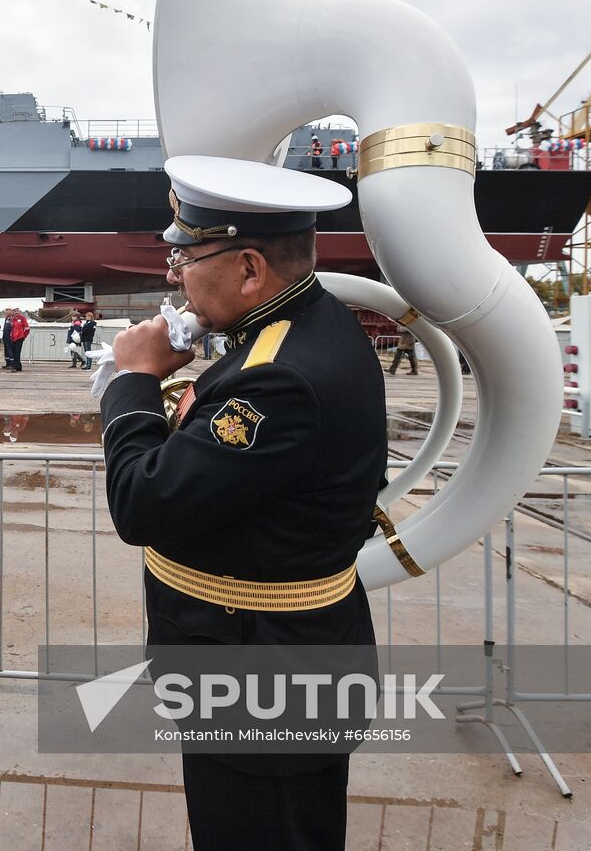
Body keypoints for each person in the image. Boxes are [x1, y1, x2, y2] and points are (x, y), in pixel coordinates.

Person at [99, 155, 386, 850]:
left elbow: (142, 504)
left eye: (186, 254)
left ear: (250, 268)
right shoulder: (297, 332)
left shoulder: (275, 378)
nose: (174, 274)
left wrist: (130, 382)